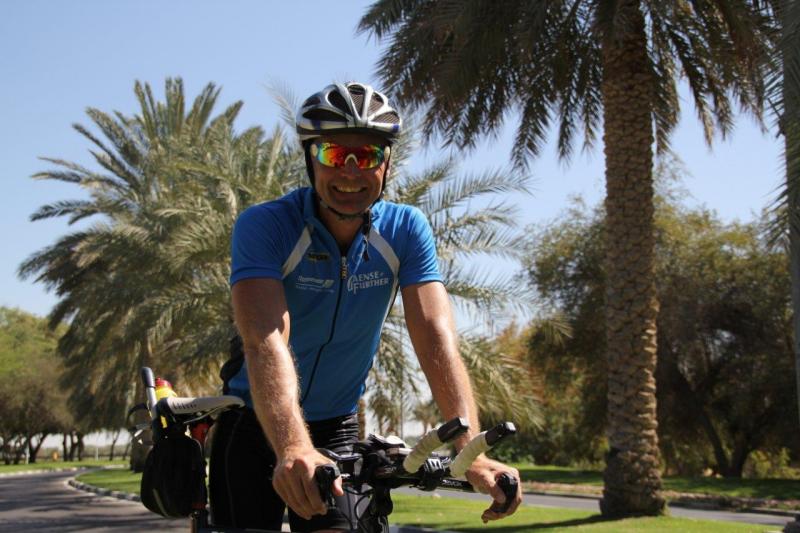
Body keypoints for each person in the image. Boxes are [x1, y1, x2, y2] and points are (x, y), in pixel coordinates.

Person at [209, 81, 522, 532]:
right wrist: (293, 446)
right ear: (310, 159)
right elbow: (265, 339)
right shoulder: (267, 225)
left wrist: (470, 449)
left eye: (368, 155)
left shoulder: (405, 230)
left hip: (337, 425)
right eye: (335, 154)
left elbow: (435, 335)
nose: (351, 172)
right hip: (253, 422)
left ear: (386, 163)